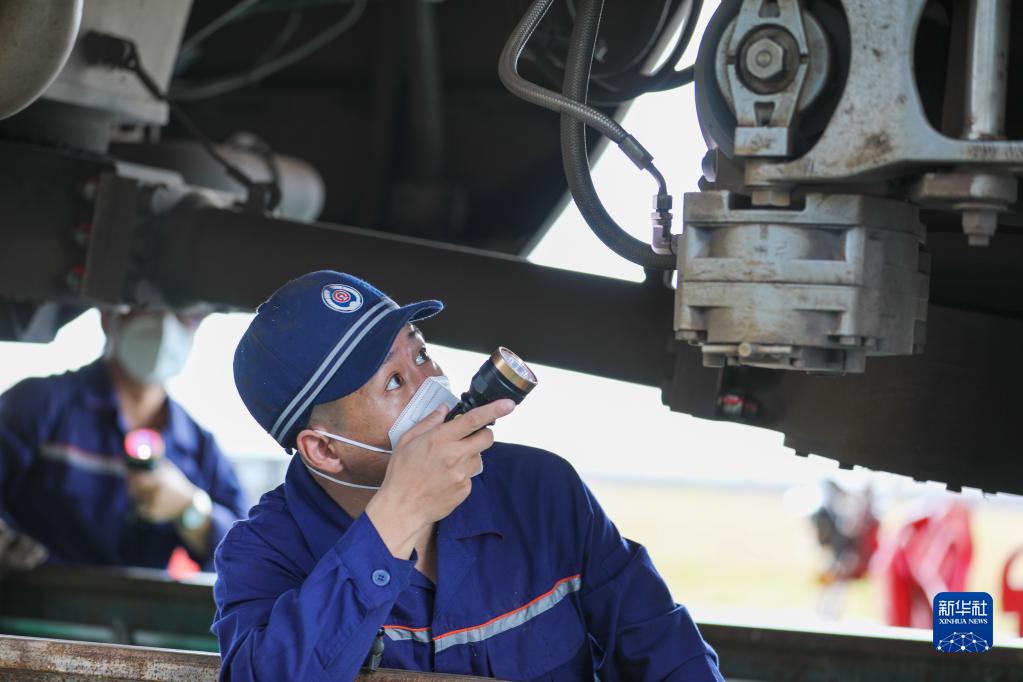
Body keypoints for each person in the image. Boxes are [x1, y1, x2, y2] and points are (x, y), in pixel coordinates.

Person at [215, 270, 724, 681]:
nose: (432, 383)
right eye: (394, 381)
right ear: (325, 450)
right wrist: (399, 513)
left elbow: (666, 650)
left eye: (421, 354)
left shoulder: (543, 493)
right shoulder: (263, 554)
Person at [0, 309, 248, 571]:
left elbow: (249, 555)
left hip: (143, 597)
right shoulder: (40, 405)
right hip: (38, 593)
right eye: (146, 305)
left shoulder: (197, 446)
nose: (164, 326)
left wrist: (190, 508)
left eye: (180, 311)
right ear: (108, 316)